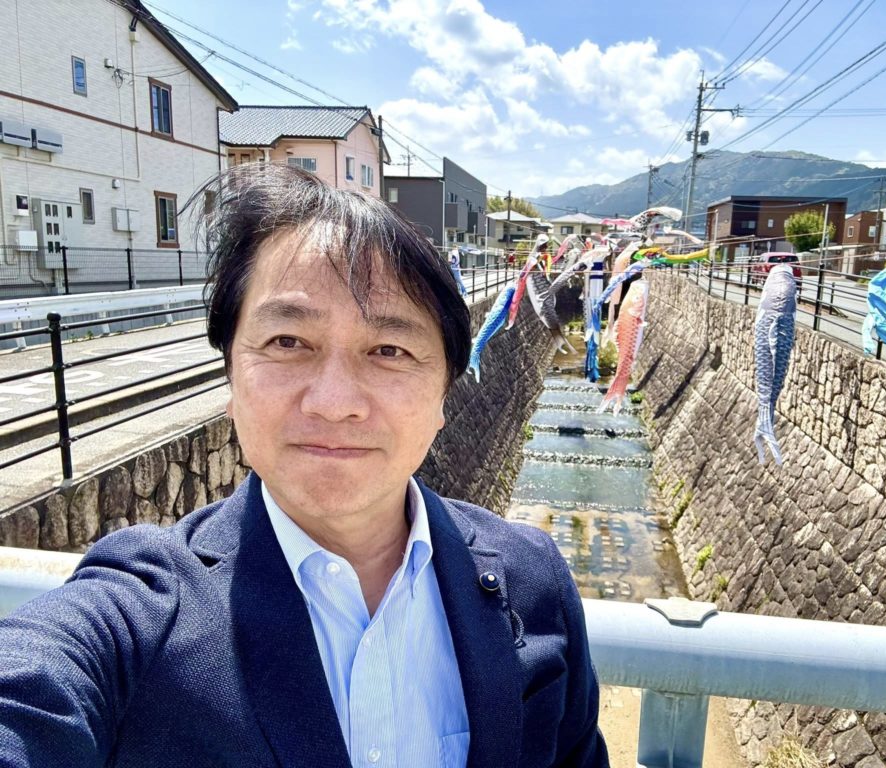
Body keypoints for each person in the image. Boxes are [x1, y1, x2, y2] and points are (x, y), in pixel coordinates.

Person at [0, 163, 608, 768]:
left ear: (444, 394)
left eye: (389, 349)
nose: (334, 402)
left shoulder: (534, 582)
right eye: (287, 342)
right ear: (232, 375)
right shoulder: (143, 611)